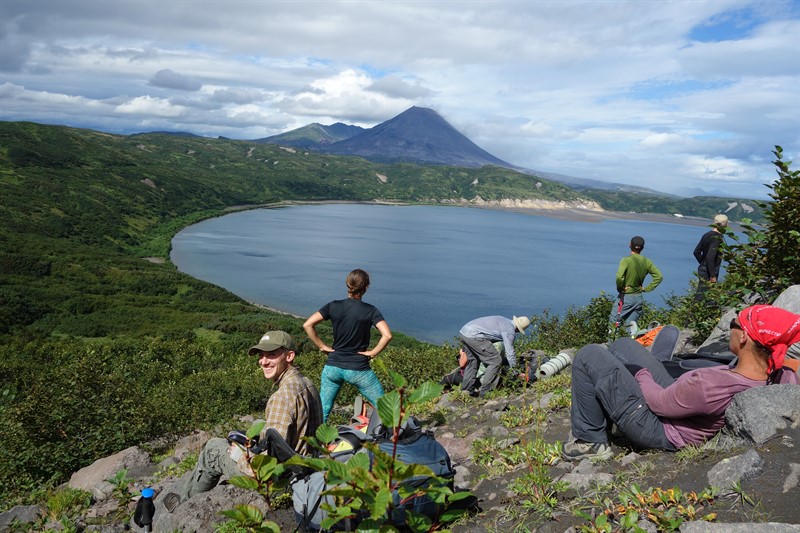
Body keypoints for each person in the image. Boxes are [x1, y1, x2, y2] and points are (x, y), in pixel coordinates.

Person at [564, 305, 800, 461]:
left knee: (589, 355)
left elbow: (658, 403)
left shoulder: (712, 385)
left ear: (745, 337)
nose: (731, 328)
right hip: (681, 402)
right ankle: (607, 399)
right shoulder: (781, 375)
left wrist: (640, 375)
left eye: (734, 324)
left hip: (658, 427)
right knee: (623, 345)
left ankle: (590, 441)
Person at [171, 330, 322, 505]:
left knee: (213, 448)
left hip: (279, 484)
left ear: (289, 356)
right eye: (261, 355)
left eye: (271, 355)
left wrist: (238, 457)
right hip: (307, 470)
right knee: (259, 424)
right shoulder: (307, 384)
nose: (263, 361)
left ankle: (184, 504)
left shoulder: (282, 397)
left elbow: (265, 469)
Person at [304, 268, 392, 422]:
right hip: (358, 369)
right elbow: (387, 335)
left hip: (333, 367)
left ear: (347, 285)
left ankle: (315, 443)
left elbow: (308, 325)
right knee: (385, 408)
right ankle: (392, 441)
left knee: (322, 411)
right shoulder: (371, 311)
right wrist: (373, 352)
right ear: (366, 287)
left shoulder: (333, 306)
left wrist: (322, 346)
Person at [459, 315, 530, 397]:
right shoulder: (509, 330)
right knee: (495, 361)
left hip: (464, 332)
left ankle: (467, 390)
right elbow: (510, 353)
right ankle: (485, 392)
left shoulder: (504, 320)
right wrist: (516, 372)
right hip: (475, 336)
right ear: (518, 329)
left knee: (473, 360)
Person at [610, 236, 663, 335]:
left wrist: (620, 288)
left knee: (614, 323)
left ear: (630, 245)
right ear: (642, 248)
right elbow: (659, 276)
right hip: (638, 298)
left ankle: (611, 347)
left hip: (626, 297)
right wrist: (646, 288)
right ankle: (630, 347)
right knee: (631, 327)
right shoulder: (647, 262)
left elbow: (619, 277)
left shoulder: (626, 260)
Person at [693, 214, 728, 298]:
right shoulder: (718, 237)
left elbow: (696, 252)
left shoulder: (707, 234)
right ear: (725, 224)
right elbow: (710, 257)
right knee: (703, 296)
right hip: (709, 271)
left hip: (703, 269)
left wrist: (702, 263)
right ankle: (695, 310)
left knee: (700, 293)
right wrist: (712, 275)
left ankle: (695, 310)